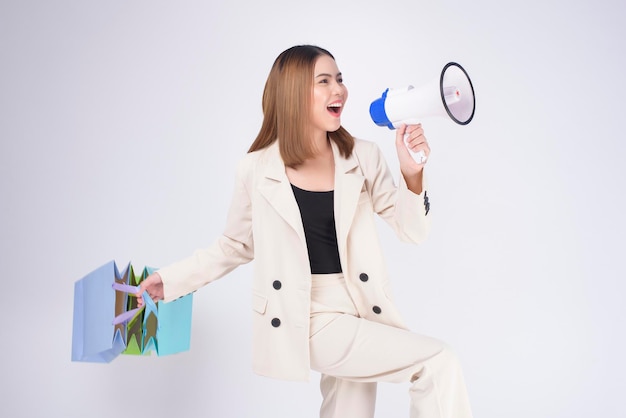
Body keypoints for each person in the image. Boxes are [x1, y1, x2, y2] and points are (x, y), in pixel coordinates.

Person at [137, 44, 473, 418]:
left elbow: (412, 232)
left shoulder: (363, 156)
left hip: (362, 307)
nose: (339, 91)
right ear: (294, 92)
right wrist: (170, 281)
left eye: (340, 80)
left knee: (348, 412)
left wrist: (412, 173)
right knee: (437, 361)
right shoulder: (256, 169)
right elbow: (234, 245)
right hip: (306, 314)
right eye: (324, 81)